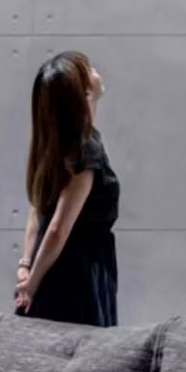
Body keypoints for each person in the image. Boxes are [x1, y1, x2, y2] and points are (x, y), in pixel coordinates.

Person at [14, 50, 120, 326]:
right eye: (90, 71)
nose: (97, 72)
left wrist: (26, 266)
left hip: (51, 266)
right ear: (83, 93)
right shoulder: (85, 151)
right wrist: (32, 282)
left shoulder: (57, 145)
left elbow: (37, 209)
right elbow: (58, 227)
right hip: (76, 275)